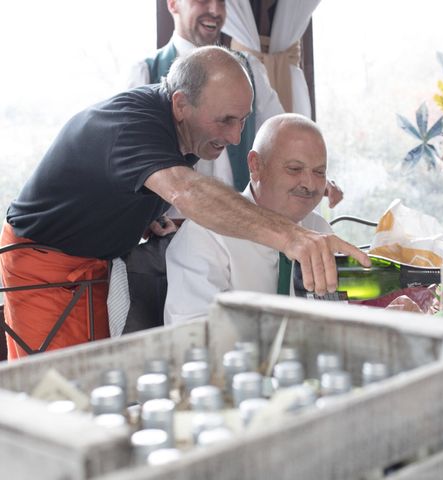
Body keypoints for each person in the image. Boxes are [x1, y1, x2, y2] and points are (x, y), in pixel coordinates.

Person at [0, 46, 369, 360]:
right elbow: (187, 191)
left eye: (242, 121)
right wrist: (293, 237)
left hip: (97, 263)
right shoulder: (132, 124)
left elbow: (118, 186)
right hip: (43, 263)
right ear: (180, 104)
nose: (236, 137)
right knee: (58, 389)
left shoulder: (187, 129)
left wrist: (142, 217)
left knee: (96, 380)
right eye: (225, 120)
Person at [128, 0, 343, 205]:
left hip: (243, 227)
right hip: (172, 230)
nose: (215, 10)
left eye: (222, 1)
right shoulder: (145, 73)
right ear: (173, 4)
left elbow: (281, 134)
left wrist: (312, 176)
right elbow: (135, 161)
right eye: (203, 0)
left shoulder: (250, 68)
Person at [165, 113, 331, 325]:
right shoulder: (204, 233)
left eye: (319, 172)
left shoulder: (320, 228)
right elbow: (193, 333)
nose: (309, 183)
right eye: (294, 169)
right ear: (256, 166)